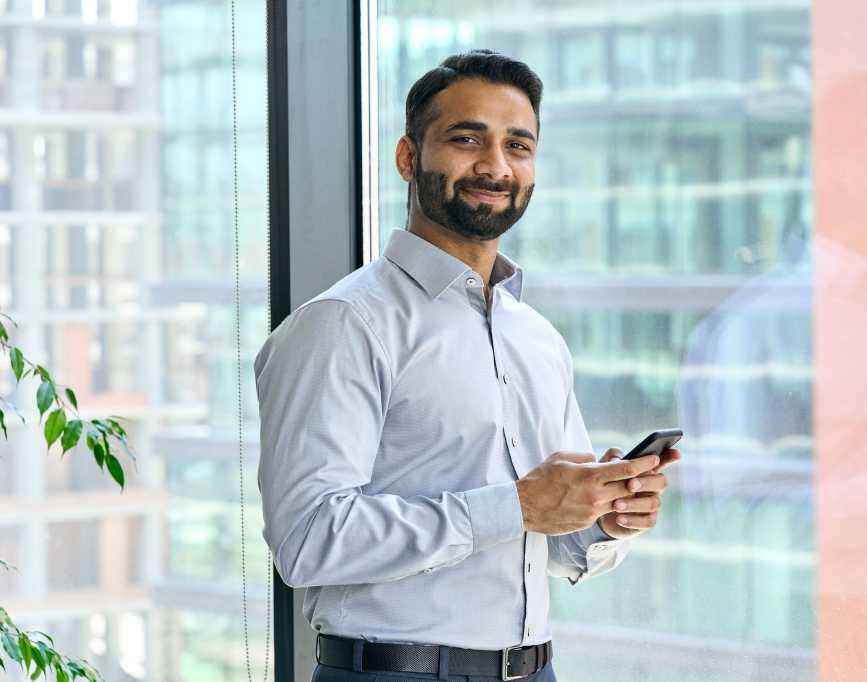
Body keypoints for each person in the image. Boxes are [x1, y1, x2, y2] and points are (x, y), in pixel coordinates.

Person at [255, 49, 682, 682]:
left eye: (519, 145)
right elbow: (307, 538)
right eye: (467, 139)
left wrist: (602, 517)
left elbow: (551, 543)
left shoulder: (537, 338)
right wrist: (516, 505)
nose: (496, 166)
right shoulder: (346, 324)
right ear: (408, 158)